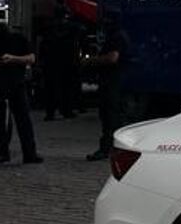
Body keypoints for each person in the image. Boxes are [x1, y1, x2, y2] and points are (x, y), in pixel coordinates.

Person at [0, 23, 42, 165]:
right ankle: (4, 152)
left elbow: (31, 58)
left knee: (21, 120)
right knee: (3, 121)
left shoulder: (17, 40)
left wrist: (12, 59)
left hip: (15, 83)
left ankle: (27, 153)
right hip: (1, 84)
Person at [85, 16, 127, 162]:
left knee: (110, 117)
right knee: (112, 116)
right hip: (113, 81)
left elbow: (112, 58)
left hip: (112, 82)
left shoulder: (117, 37)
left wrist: (92, 61)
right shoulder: (119, 35)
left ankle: (106, 149)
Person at [38, 14, 81, 121]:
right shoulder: (71, 29)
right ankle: (66, 111)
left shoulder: (49, 29)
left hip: (52, 63)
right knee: (66, 88)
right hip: (66, 63)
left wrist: (41, 61)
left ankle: (50, 112)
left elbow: (42, 46)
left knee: (51, 89)